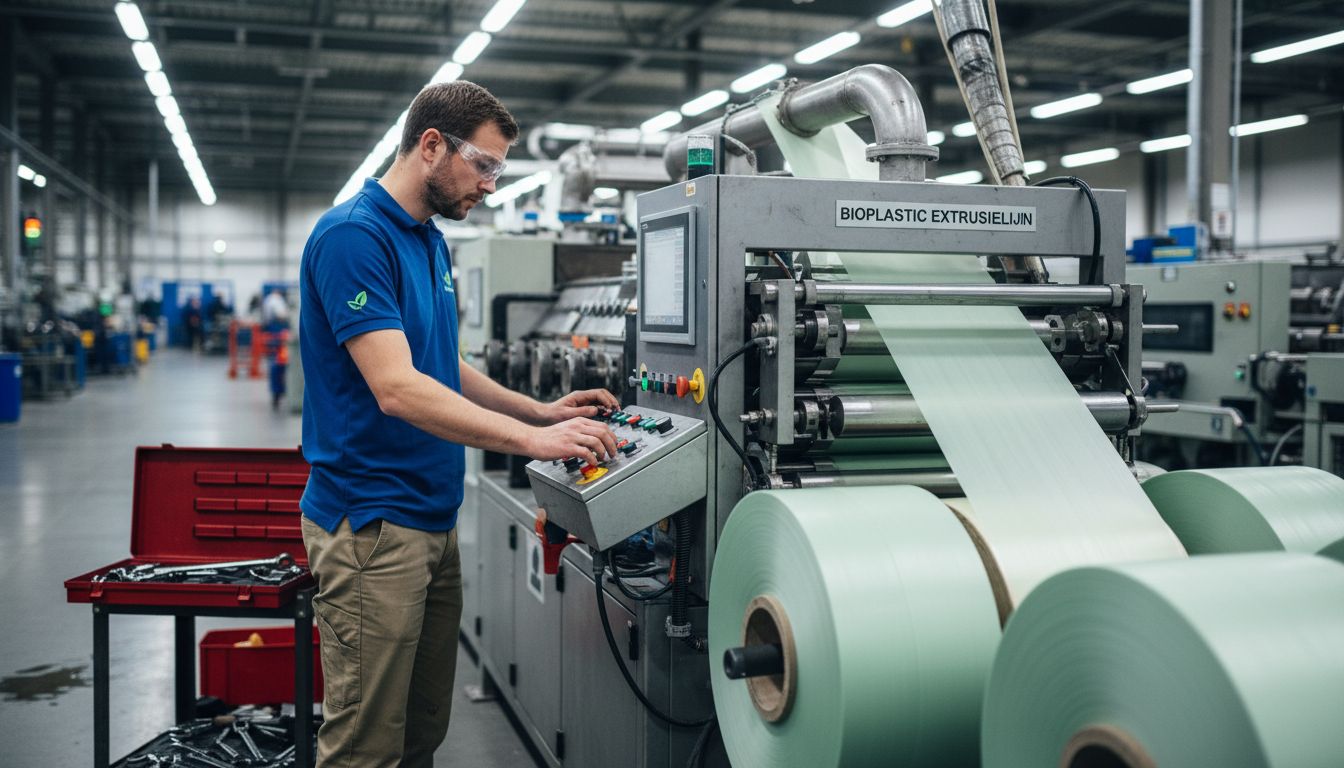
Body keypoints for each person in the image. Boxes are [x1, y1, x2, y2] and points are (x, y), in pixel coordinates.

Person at [298, 80, 619, 768]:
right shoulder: (354, 236)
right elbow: (397, 388)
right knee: (364, 747)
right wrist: (534, 442)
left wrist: (538, 409)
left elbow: (442, 363)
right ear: (431, 145)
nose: (492, 185)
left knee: (421, 733)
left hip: (432, 518)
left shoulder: (429, 241)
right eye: (485, 165)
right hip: (373, 526)